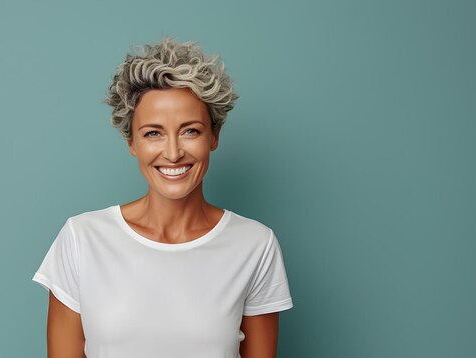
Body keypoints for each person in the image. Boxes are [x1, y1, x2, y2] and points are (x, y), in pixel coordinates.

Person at [32, 37, 294, 358]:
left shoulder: (255, 245)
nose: (172, 153)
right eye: (153, 133)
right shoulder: (82, 239)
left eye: (190, 131)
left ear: (214, 136)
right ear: (132, 143)